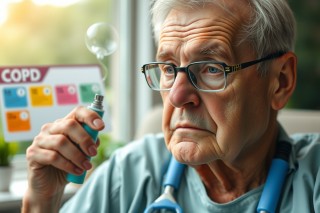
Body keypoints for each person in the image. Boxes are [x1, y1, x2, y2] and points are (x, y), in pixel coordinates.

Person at [22, 0, 320, 212]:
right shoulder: (131, 172)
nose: (177, 96)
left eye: (212, 68)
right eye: (167, 68)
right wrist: (41, 201)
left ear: (280, 81)